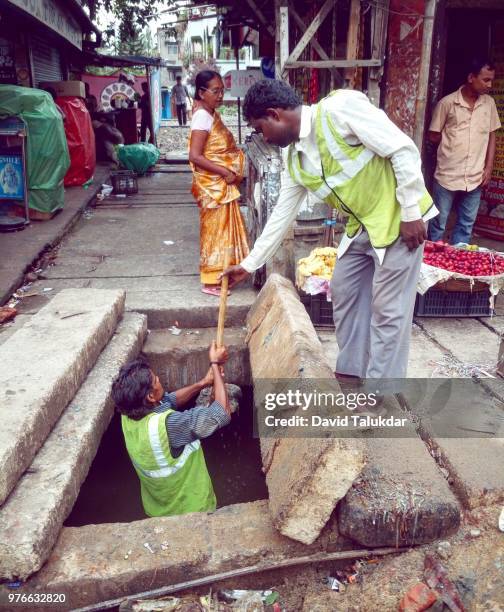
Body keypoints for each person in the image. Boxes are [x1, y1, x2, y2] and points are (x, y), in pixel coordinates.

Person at [221, 79, 438, 379]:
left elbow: (403, 150)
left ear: (274, 114)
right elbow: (281, 215)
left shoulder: (339, 110)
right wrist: (248, 265)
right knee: (344, 289)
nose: (264, 138)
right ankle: (351, 373)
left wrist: (412, 213)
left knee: (389, 311)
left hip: (401, 221)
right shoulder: (294, 158)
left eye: (261, 129)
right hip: (362, 226)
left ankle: (381, 392)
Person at [112, 341, 231, 517]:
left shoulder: (128, 412)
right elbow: (221, 412)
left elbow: (168, 400)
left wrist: (204, 383)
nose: (159, 380)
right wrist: (214, 365)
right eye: (156, 380)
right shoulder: (169, 426)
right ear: (150, 396)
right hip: (191, 510)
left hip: (158, 509)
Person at [189, 70, 249, 297]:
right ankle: (211, 280)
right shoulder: (202, 117)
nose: (220, 95)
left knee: (223, 230)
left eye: (222, 90)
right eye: (215, 91)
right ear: (201, 92)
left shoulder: (210, 113)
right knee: (215, 231)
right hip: (213, 186)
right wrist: (224, 171)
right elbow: (195, 156)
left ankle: (223, 272)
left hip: (220, 185)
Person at [428, 58, 501, 245]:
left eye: (491, 80)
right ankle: (434, 263)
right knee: (439, 223)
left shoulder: (489, 104)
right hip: (447, 174)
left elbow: (492, 135)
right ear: (471, 77)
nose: (490, 85)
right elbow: (433, 135)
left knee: (466, 225)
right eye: (486, 80)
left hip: (475, 176)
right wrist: (453, 147)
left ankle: (458, 263)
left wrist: (489, 167)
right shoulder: (448, 103)